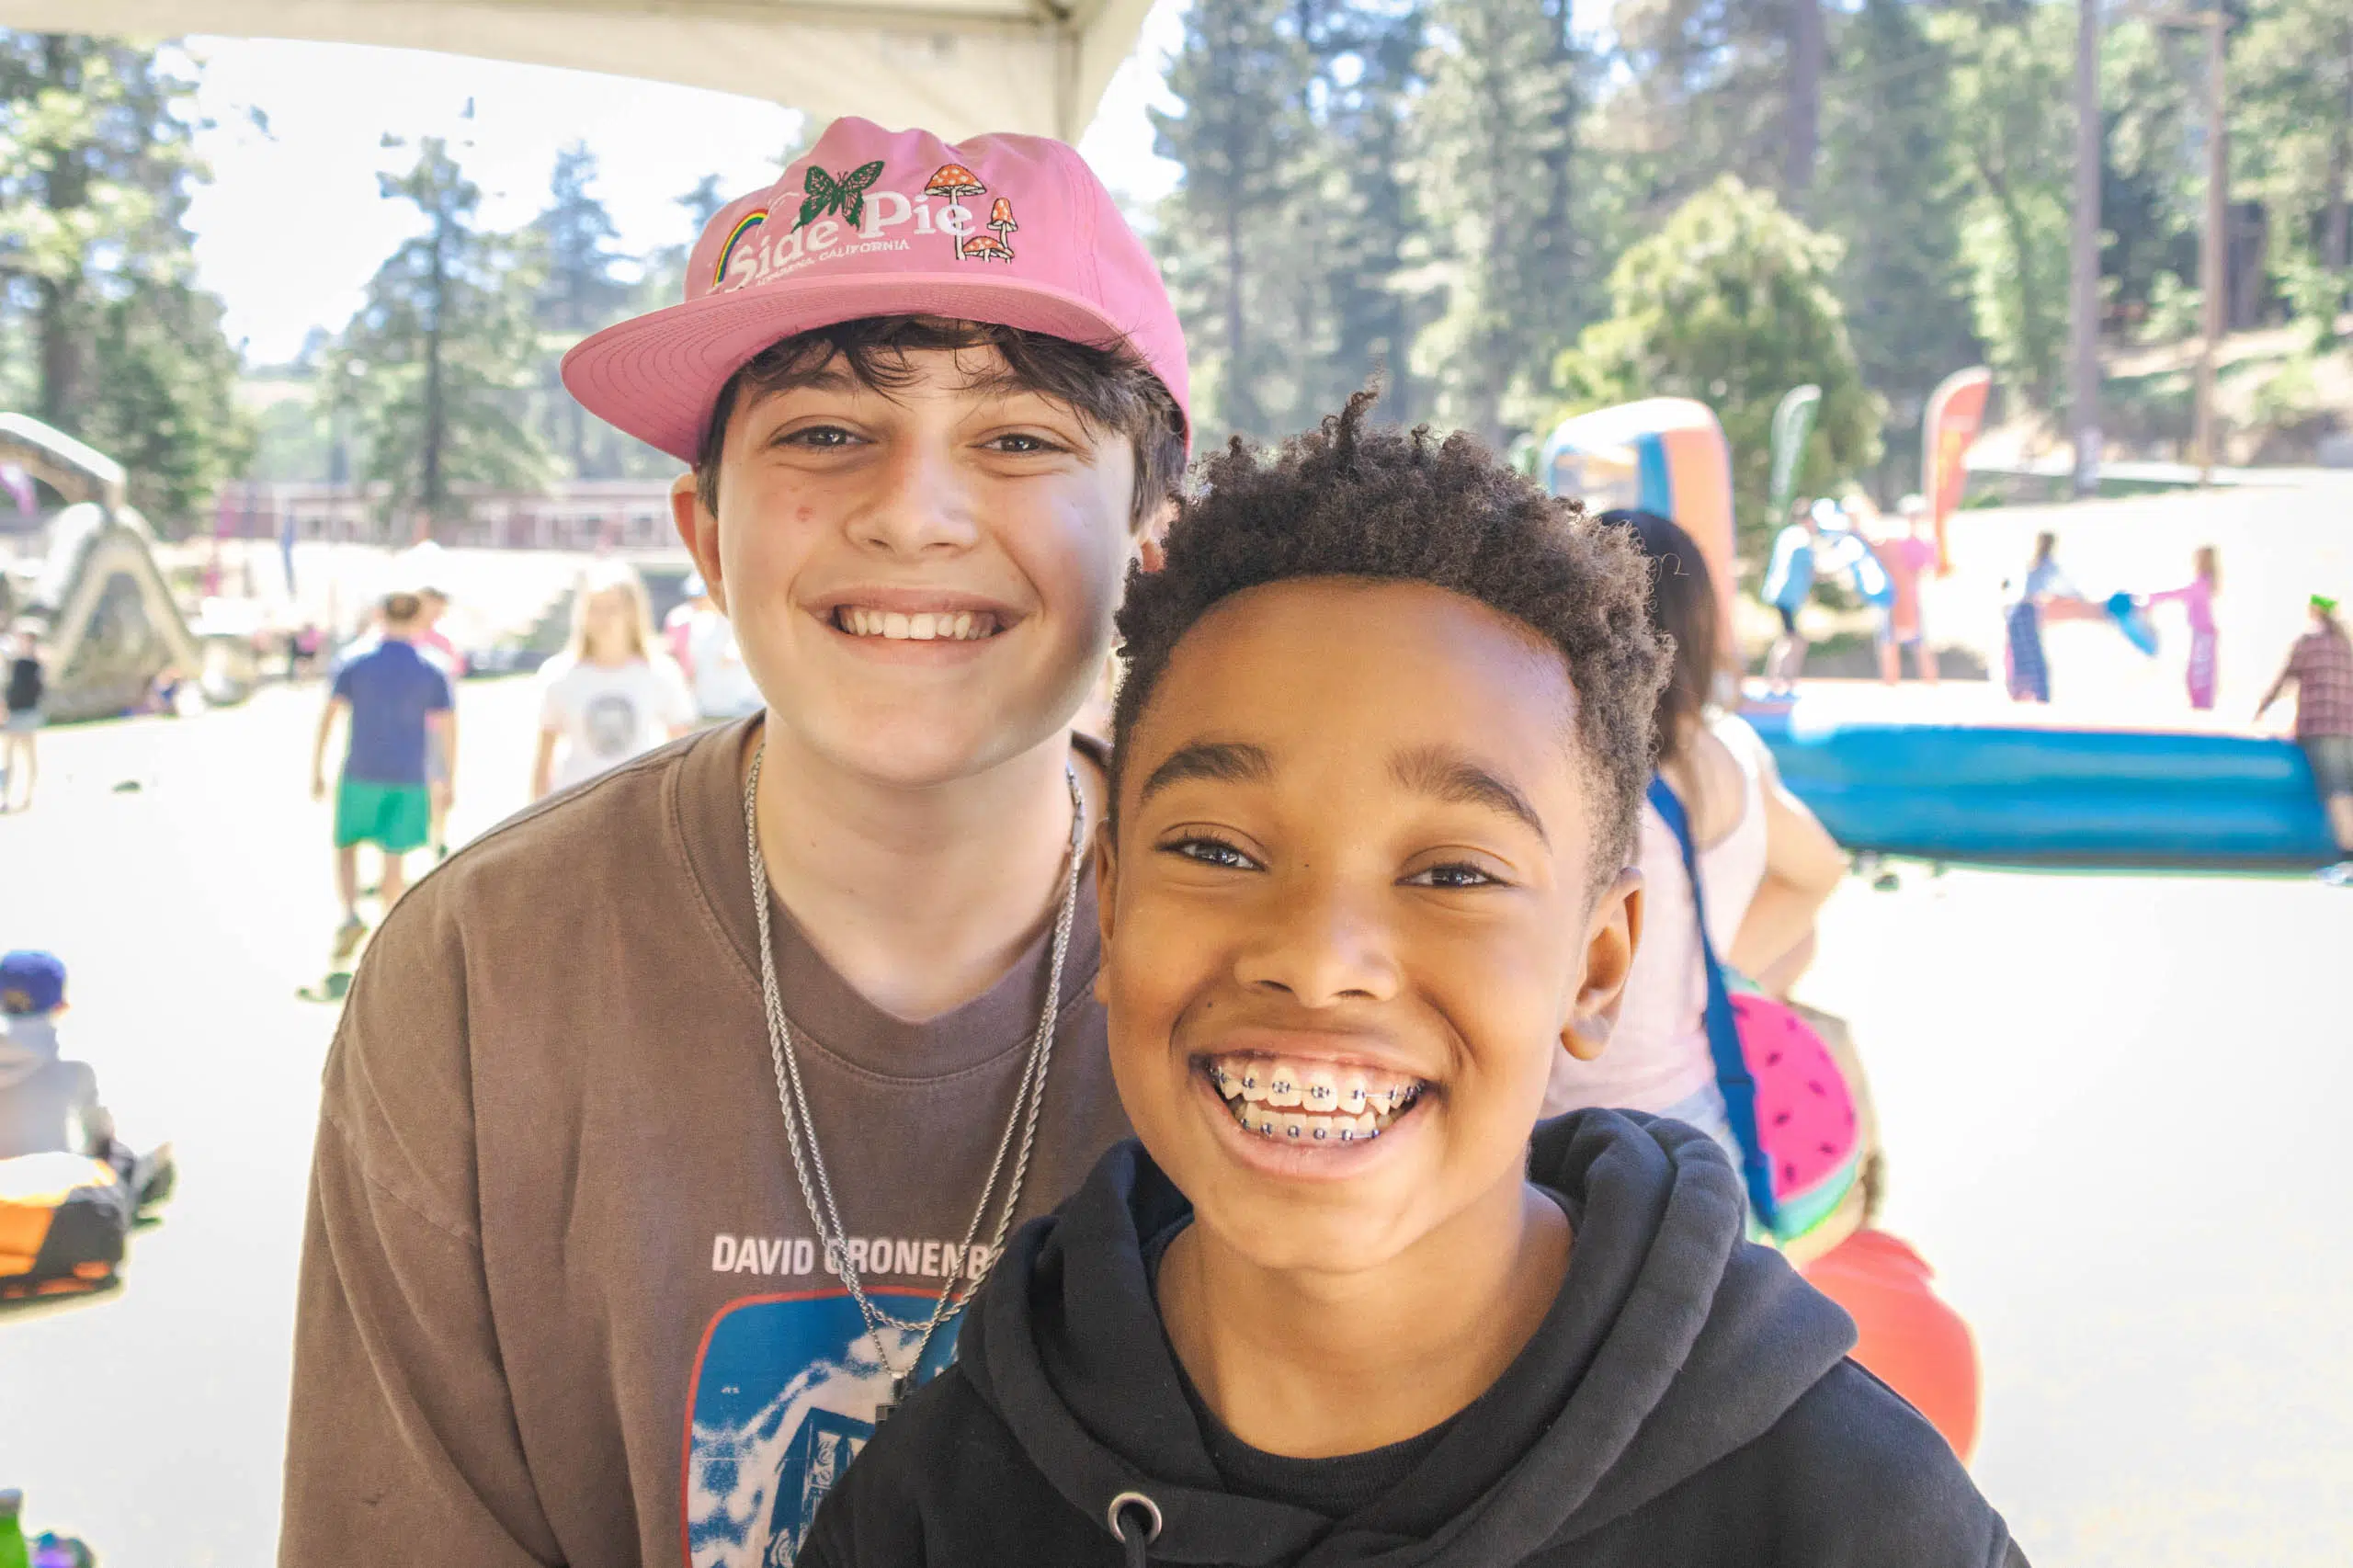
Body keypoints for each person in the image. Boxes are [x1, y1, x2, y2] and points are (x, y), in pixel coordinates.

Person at [801, 394, 2023, 1568]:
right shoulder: (936, 1502)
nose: (1321, 957)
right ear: (1110, 903)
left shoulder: (1849, 1516)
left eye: (1451, 871)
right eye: (1218, 849)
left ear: (1599, 964)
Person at [278, 116, 1190, 1568]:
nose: (916, 513)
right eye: (828, 432)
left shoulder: (1273, 959)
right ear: (705, 537)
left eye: (1019, 437)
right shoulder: (480, 972)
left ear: (1150, 535)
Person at [1544, 510, 1845, 1163]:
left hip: (1563, 1139)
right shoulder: (1732, 752)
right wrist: (1722, 968)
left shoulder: (1569, 764)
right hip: (1698, 1134)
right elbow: (1819, 873)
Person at [311, 591, 457, 960]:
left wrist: (317, 767)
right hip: (409, 774)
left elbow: (329, 716)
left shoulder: (354, 662)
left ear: (379, 614)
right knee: (395, 857)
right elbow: (447, 729)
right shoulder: (432, 667)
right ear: (418, 618)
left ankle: (350, 913)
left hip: (360, 769)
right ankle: (387, 933)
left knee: (347, 846)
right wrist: (449, 779)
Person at [0, 949, 174, 1210]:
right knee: (115, 1156)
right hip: (46, 1206)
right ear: (61, 1007)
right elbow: (101, 1140)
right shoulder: (76, 1065)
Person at [529, 561, 696, 799]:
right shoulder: (558, 673)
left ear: (632, 612)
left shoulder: (661, 673)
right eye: (594, 608)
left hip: (636, 805)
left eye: (612, 608)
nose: (602, 618)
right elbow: (544, 758)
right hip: (574, 804)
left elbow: (681, 751)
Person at [2256, 594, 2353, 885]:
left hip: (2322, 730)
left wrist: (2260, 712)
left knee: (2338, 794)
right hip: (2350, 728)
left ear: (2313, 613)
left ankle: (2348, 860)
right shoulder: (2346, 646)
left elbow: (2283, 683)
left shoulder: (2307, 645)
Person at [676, 571, 766, 723]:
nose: (696, 602)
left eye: (700, 597)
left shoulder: (749, 623)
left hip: (742, 714)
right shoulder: (698, 626)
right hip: (707, 712)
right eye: (693, 598)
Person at [2004, 531, 2082, 704]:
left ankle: (2020, 695)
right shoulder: (2046, 564)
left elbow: (2009, 586)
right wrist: (2082, 600)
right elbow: (2067, 587)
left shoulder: (2030, 563)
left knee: (2020, 656)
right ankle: (2040, 697)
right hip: (2026, 611)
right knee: (2034, 657)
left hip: (2013, 612)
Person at [1870, 494, 1941, 686]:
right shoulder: (1894, 540)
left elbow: (1926, 570)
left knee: (1918, 643)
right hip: (1892, 597)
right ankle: (1890, 682)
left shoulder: (1924, 543)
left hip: (1910, 598)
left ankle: (1930, 681)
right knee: (1888, 642)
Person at [2146, 546, 2221, 710]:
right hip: (2201, 633)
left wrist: (2153, 598)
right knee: (2196, 675)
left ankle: (2202, 707)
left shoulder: (2203, 583)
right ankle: (2200, 706)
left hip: (2204, 633)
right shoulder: (2205, 583)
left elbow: (2180, 593)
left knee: (2199, 676)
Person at [1759, 497, 1819, 695]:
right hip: (1786, 595)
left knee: (1791, 638)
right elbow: (1810, 566)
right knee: (1792, 639)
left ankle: (1782, 679)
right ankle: (1779, 680)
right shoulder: (1801, 537)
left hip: (1782, 594)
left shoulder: (1788, 534)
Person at [4, 625, 43, 812]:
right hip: (16, 713)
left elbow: (36, 691)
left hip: (27, 713)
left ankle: (29, 796)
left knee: (28, 755)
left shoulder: (35, 664)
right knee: (9, 756)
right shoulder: (17, 663)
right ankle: (7, 796)